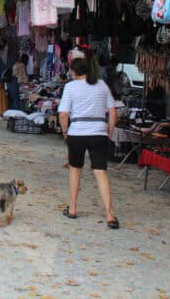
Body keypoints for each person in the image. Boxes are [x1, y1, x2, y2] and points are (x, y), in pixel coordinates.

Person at [58, 58, 118, 229]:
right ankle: (110, 215)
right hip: (99, 133)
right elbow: (113, 112)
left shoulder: (70, 87)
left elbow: (63, 115)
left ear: (74, 71)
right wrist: (109, 133)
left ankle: (73, 208)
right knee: (101, 172)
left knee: (75, 170)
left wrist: (65, 133)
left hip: (76, 133)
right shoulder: (102, 85)